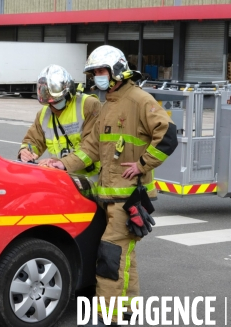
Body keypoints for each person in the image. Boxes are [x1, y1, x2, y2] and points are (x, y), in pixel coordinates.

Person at [44, 45, 178, 325]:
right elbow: (90, 148)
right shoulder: (106, 107)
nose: (97, 77)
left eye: (101, 71)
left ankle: (110, 315)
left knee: (110, 253)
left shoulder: (140, 100)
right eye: (94, 73)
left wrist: (142, 165)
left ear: (118, 70)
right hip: (109, 197)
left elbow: (168, 135)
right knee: (124, 256)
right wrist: (63, 164)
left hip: (129, 198)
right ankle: (129, 308)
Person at [18, 64, 101, 181]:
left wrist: (64, 162)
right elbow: (32, 140)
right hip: (60, 177)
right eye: (49, 102)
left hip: (90, 179)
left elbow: (91, 147)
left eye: (56, 100)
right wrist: (26, 151)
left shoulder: (88, 105)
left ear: (68, 92)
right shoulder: (43, 114)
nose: (53, 105)